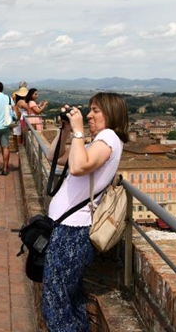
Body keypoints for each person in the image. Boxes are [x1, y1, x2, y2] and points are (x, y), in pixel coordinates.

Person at [42, 93, 130, 332]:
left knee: (54, 304)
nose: (90, 115)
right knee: (69, 299)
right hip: (66, 228)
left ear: (111, 113)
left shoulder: (109, 138)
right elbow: (54, 157)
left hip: (73, 233)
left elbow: (79, 167)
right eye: (89, 110)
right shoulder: (95, 143)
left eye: (95, 110)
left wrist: (79, 130)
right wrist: (66, 130)